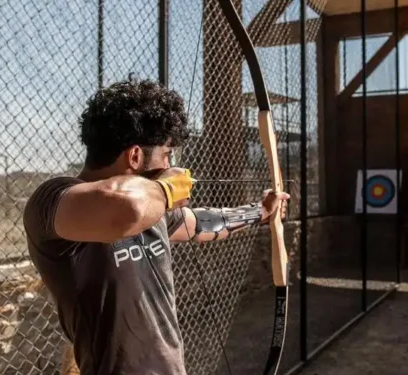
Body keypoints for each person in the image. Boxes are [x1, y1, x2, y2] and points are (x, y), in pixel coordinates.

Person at [22, 78, 289, 375]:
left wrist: (260, 212)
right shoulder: (54, 201)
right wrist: (167, 190)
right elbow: (127, 208)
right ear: (135, 156)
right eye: (167, 154)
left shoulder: (152, 206)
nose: (171, 163)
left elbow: (200, 224)